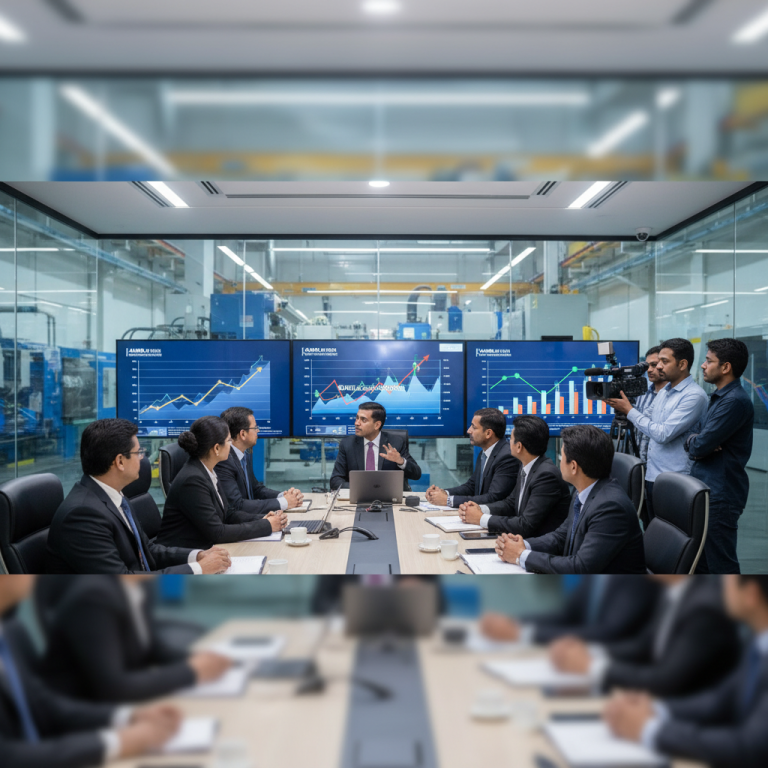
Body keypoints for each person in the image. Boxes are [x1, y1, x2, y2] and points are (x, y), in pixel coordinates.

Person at [0, 575, 183, 768]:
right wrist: (119, 742)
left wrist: (130, 715)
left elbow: (44, 704)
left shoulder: (10, 632)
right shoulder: (93, 595)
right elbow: (6, 756)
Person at [604, 576, 768, 768]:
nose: (721, 582)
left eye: (729, 577)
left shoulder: (706, 606)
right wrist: (656, 709)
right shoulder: (756, 644)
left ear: (750, 594)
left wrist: (650, 729)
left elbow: (747, 747)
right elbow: (719, 700)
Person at [47, 418, 231, 575]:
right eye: (138, 453)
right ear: (119, 461)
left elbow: (148, 551)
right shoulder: (82, 515)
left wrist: (197, 556)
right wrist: (197, 569)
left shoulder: (113, 496)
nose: (142, 458)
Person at [36, 575, 232, 704]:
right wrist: (191, 671)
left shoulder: (138, 585)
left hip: (124, 701)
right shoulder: (94, 598)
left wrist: (199, 659)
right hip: (83, 712)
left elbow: (151, 647)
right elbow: (114, 688)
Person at [549, 575, 741, 698]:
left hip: (685, 715)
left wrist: (592, 666)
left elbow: (666, 680)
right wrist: (587, 652)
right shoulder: (673, 593)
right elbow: (643, 646)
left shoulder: (703, 610)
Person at [494, 424, 645, 574]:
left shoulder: (610, 508)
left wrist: (521, 555)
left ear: (573, 467)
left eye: (561, 457)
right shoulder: (583, 491)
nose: (558, 462)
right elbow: (562, 536)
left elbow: (579, 567)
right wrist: (522, 544)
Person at [607, 338, 708, 523]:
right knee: (653, 528)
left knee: (674, 534)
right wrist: (623, 407)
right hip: (652, 475)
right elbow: (645, 419)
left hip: (676, 479)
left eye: (664, 361)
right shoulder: (664, 392)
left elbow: (662, 434)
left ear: (683, 364)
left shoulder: (694, 396)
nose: (659, 367)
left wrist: (629, 410)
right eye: (658, 361)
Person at [157, 415, 288, 550]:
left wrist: (262, 519)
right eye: (229, 440)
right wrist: (266, 526)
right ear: (216, 448)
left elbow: (228, 514)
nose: (231, 445)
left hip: (206, 549)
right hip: (185, 555)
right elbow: (218, 533)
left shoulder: (207, 470)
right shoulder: (192, 480)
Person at [686, 339, 754, 574]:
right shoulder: (719, 398)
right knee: (703, 563)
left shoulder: (734, 402)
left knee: (720, 564)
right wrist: (696, 440)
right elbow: (696, 438)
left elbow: (698, 446)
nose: (703, 365)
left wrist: (698, 441)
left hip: (720, 495)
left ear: (725, 367)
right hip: (707, 490)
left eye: (708, 360)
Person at [457, 415, 570, 538]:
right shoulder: (526, 466)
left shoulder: (546, 476)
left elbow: (525, 525)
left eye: (510, 438)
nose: (508, 442)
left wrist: (481, 518)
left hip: (538, 547)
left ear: (519, 446)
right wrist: (480, 508)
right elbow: (510, 503)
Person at [479, 576, 661, 646]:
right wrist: (514, 622)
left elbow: (608, 632)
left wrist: (522, 634)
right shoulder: (597, 575)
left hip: (617, 669)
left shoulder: (635, 581)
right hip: (577, 655)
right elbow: (569, 615)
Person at [217, 406, 303, 516]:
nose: (258, 431)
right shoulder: (224, 461)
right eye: (255, 428)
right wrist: (284, 502)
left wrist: (284, 495)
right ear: (243, 434)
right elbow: (237, 505)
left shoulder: (245, 455)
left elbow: (256, 489)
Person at [425, 408, 518, 507]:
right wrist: (444, 493)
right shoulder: (484, 453)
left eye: (474, 427)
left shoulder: (507, 457)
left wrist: (448, 500)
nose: (469, 430)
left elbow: (493, 498)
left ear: (488, 433)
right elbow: (471, 486)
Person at [329, 402, 422, 490]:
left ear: (377, 425)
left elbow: (417, 474)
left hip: (388, 497)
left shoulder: (396, 442)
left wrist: (401, 461)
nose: (356, 423)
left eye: (363, 420)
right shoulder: (347, 444)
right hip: (358, 497)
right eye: (357, 418)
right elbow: (335, 480)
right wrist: (362, 488)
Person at [633, 346, 665, 526]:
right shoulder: (642, 393)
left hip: (661, 472)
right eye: (648, 366)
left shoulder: (680, 397)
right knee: (645, 520)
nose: (650, 370)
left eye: (655, 365)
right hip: (640, 470)